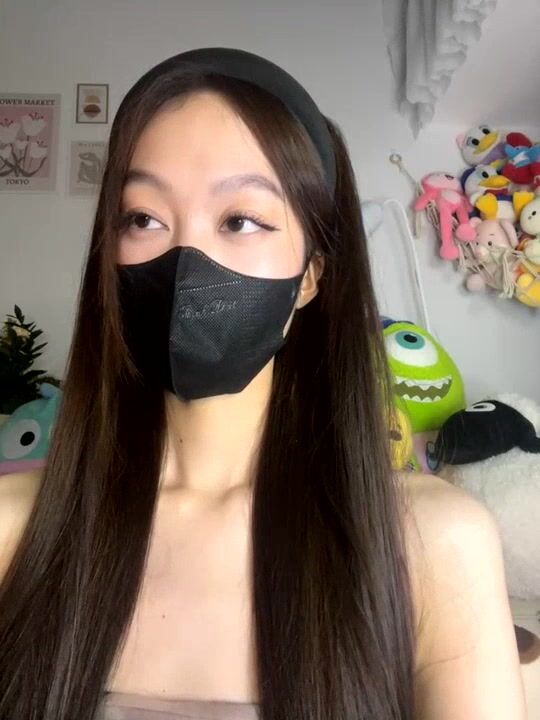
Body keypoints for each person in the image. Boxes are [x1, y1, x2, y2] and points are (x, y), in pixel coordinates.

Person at [0, 48, 526, 720]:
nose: (186, 261)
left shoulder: (432, 544)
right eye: (143, 218)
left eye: (240, 221)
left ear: (310, 277)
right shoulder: (14, 528)